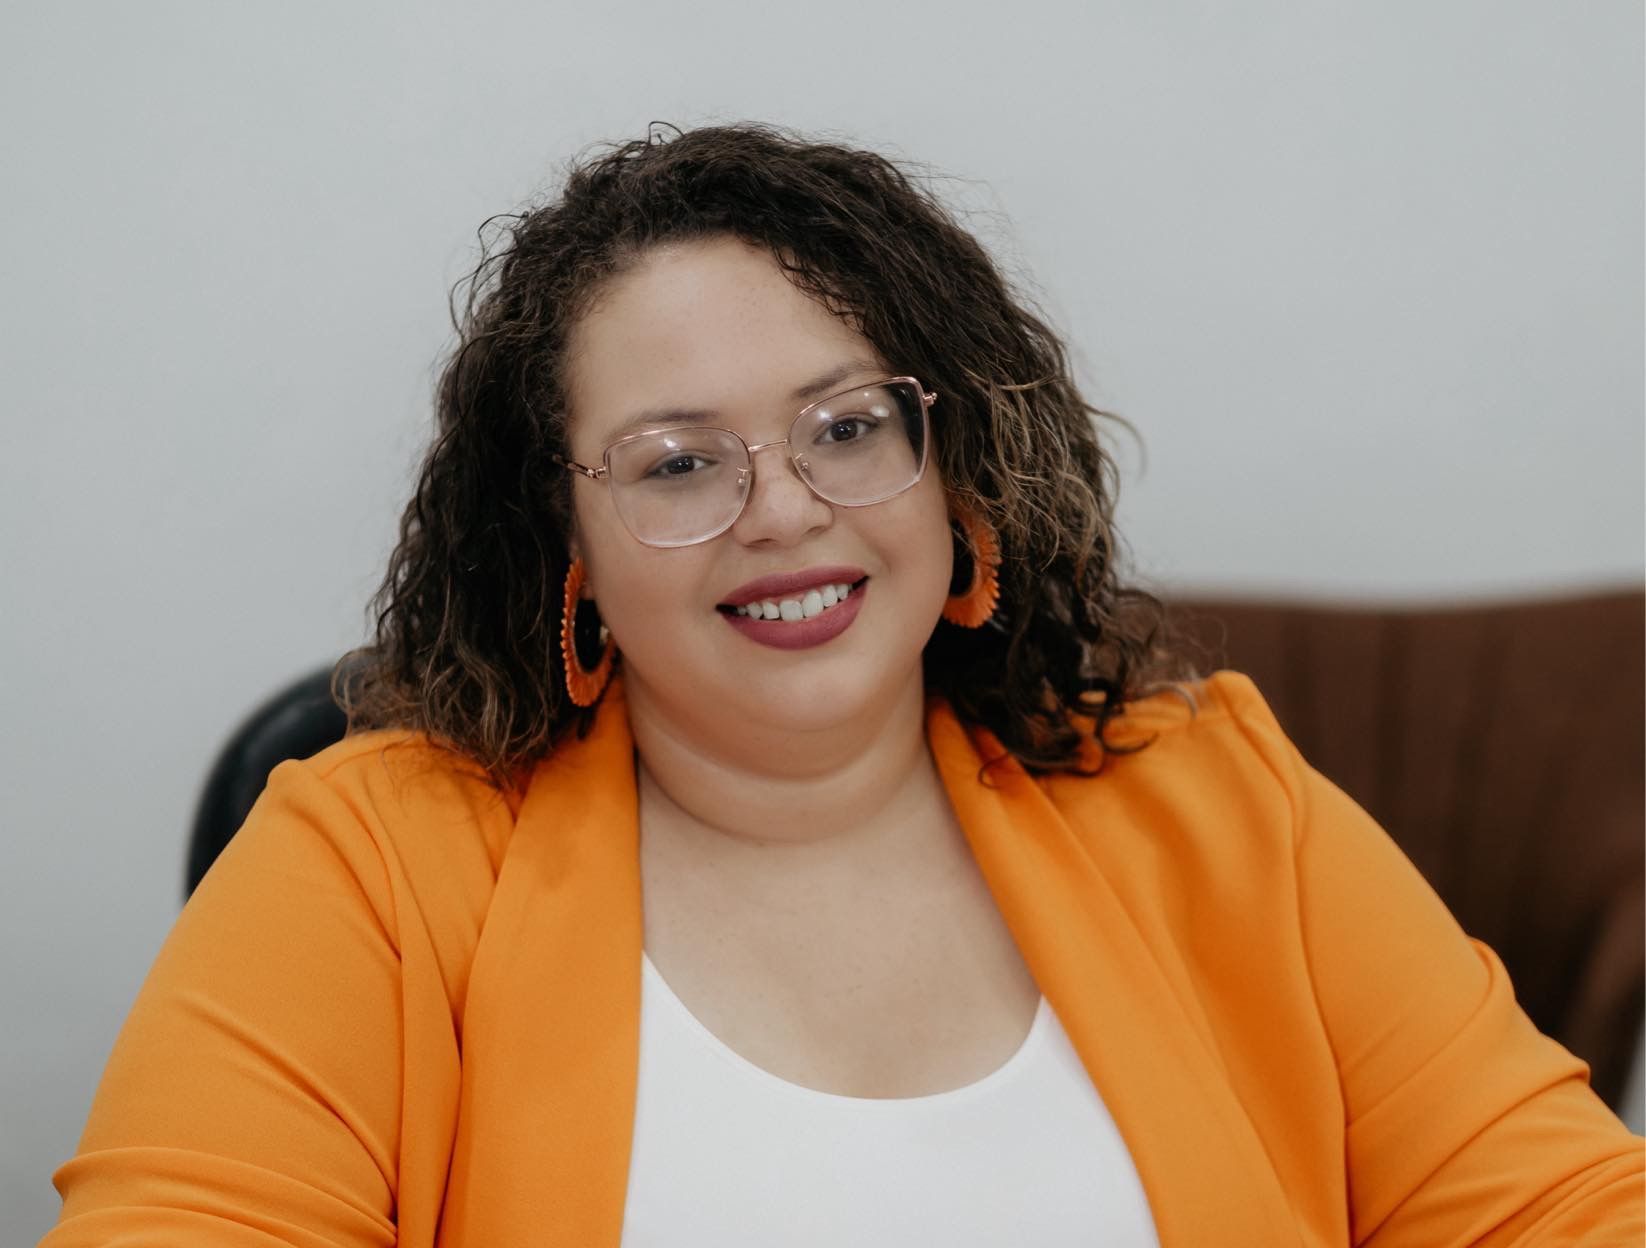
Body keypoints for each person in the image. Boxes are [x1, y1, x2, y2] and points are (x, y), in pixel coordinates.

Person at [43, 124, 1643, 1246]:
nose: (785, 510)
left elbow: (1563, 1209)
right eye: (679, 462)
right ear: (568, 550)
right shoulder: (368, 863)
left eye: (848, 426)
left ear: (956, 480)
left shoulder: (1219, 800)